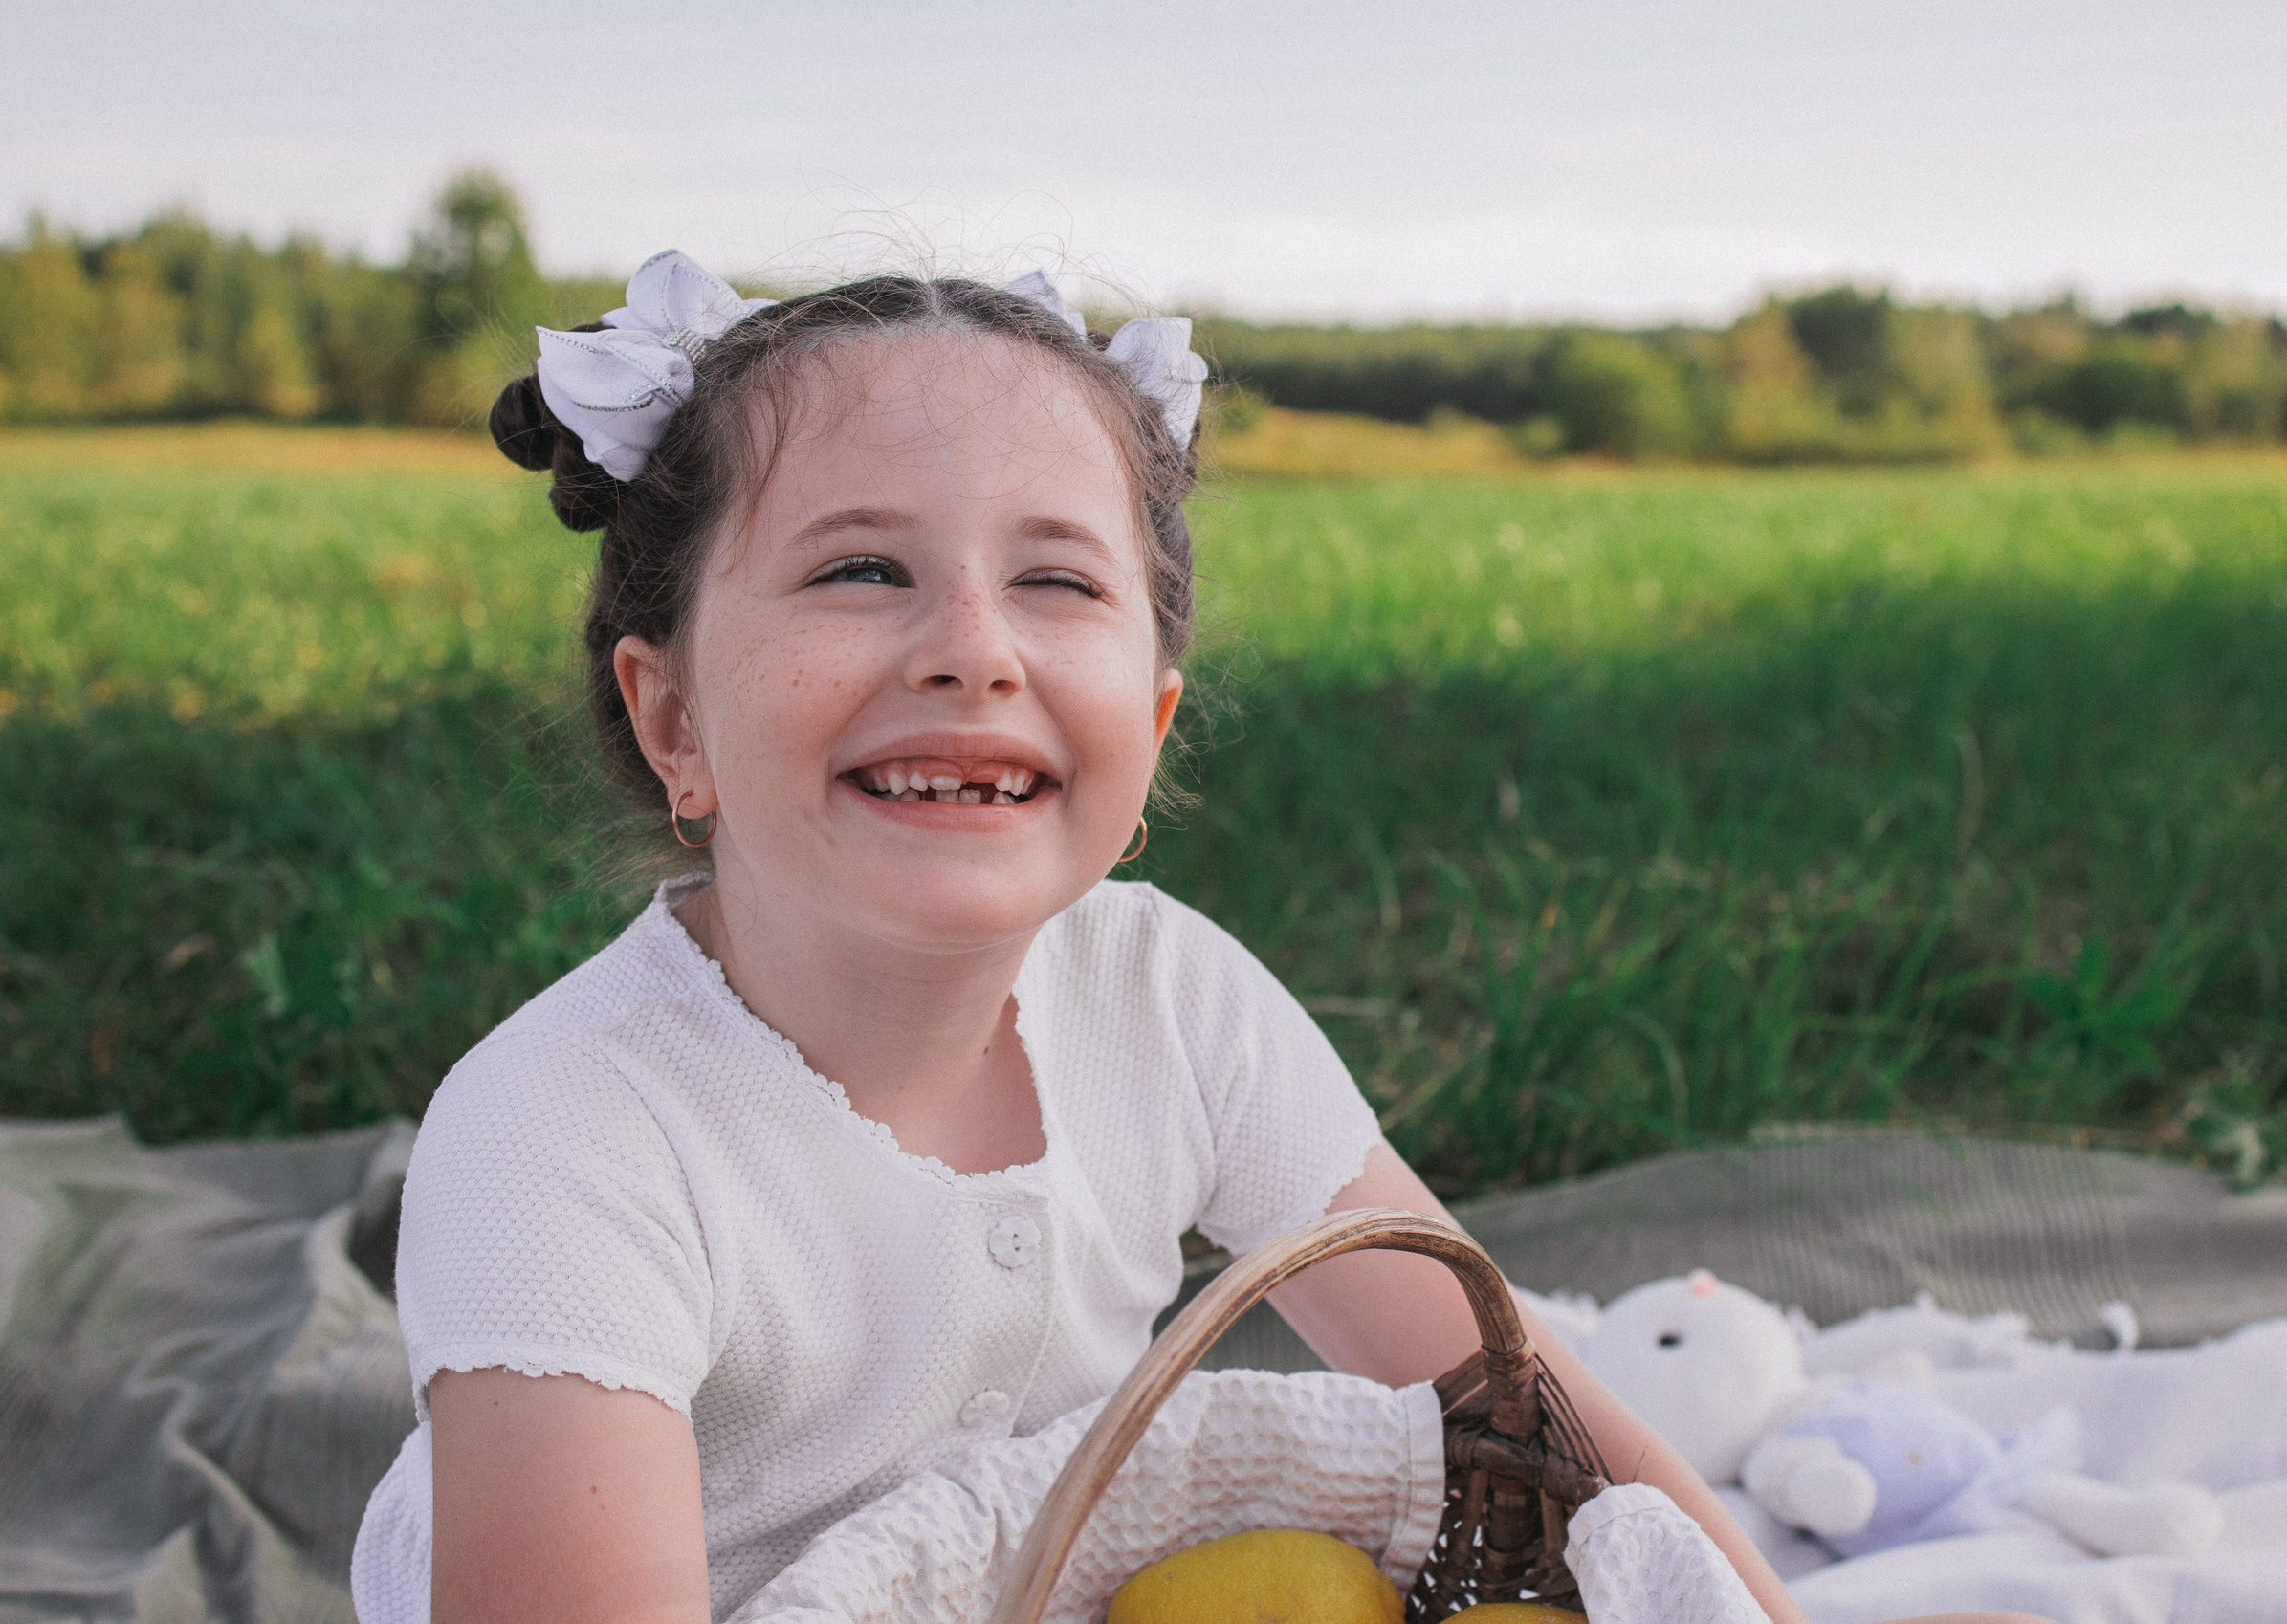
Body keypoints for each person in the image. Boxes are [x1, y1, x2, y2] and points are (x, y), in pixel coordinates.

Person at [350, 251, 2031, 1624]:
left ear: (1148, 730)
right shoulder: (567, 1132)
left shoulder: (1168, 995)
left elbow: (1515, 1403)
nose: (970, 648)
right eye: (861, 567)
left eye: (1059, 582)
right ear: (672, 720)